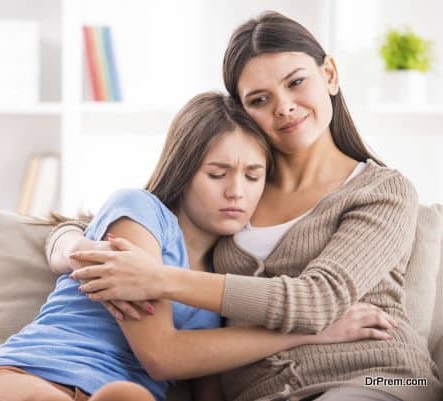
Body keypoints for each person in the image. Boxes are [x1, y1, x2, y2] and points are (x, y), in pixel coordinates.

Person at [48, 11, 442, 401]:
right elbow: (112, 221)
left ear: (330, 75)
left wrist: (158, 278)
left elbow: (317, 300)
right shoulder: (234, 194)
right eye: (259, 99)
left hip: (380, 379)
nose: (284, 106)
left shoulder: (383, 191)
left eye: (296, 82)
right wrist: (73, 245)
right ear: (242, 112)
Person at [0, 93, 392, 401]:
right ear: (184, 172)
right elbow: (163, 356)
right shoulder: (139, 211)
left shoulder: (225, 274)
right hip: (36, 372)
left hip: (127, 395)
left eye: (253, 175)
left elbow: (207, 379)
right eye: (217, 173)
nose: (236, 192)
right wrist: (307, 334)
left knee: (125, 396)